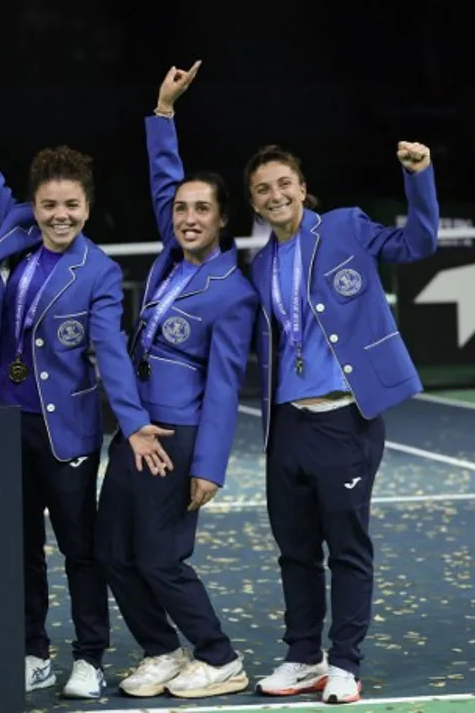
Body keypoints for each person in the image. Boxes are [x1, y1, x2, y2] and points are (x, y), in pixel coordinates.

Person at [0, 51, 171, 700]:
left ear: (88, 206)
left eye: (70, 206)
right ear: (31, 204)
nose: (58, 216)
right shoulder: (14, 227)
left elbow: (110, 353)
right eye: (47, 205)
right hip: (2, 418)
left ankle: (89, 654)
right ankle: (33, 648)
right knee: (18, 546)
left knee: (79, 546)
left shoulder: (95, 272)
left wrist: (136, 421)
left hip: (65, 431)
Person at [245, 135, 439, 704]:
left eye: (284, 184)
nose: (276, 195)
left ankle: (345, 662)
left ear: (303, 189)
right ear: (254, 206)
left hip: (344, 419)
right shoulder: (260, 265)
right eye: (263, 190)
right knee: (294, 550)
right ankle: (304, 656)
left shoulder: (347, 227)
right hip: (286, 427)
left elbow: (419, 242)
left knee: (347, 548)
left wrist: (418, 175)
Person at [94, 61, 256, 700]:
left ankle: (218, 656)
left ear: (221, 220)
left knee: (160, 559)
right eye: (182, 209)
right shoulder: (169, 257)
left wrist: (208, 466)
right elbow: (166, 180)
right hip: (133, 433)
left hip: (178, 438)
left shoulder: (233, 293)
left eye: (201, 210)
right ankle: (161, 649)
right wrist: (163, 114)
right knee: (114, 554)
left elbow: (223, 388)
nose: (188, 217)